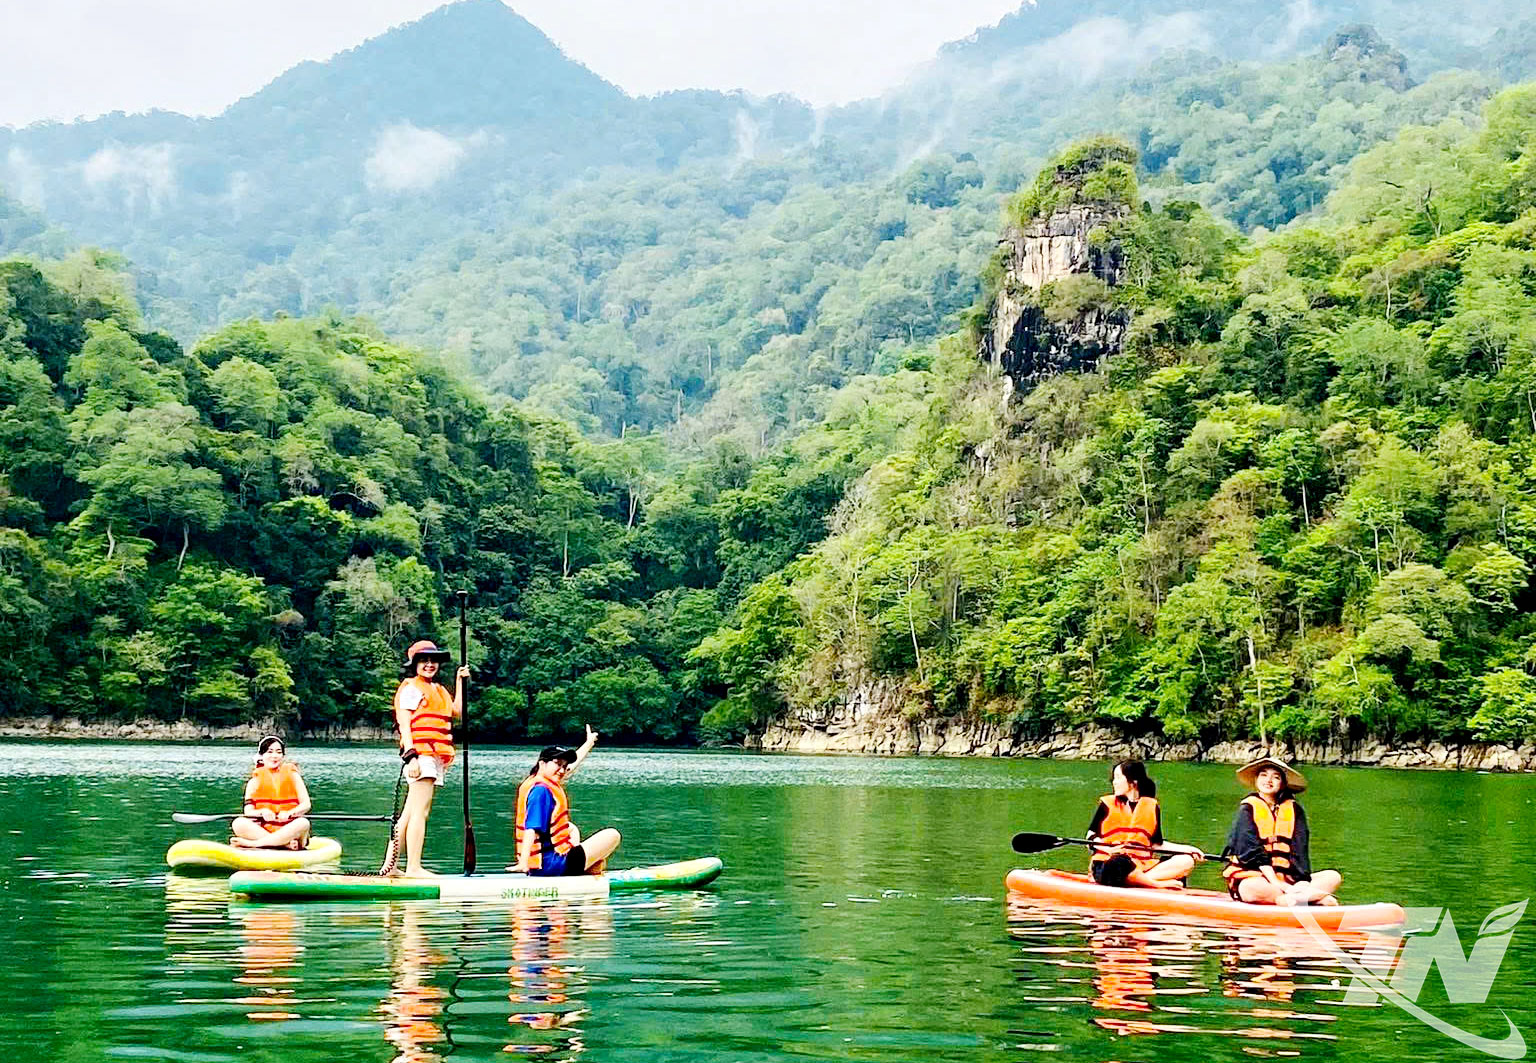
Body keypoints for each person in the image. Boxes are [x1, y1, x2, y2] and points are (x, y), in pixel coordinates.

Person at [391, 639, 469, 877]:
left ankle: (390, 867)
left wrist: (460, 681)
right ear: (414, 664)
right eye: (424, 660)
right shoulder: (411, 688)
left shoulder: (439, 690)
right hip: (420, 754)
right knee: (419, 812)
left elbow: (458, 712)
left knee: (408, 814)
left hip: (434, 755)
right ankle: (414, 867)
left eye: (433, 660)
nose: (429, 664)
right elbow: (404, 725)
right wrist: (411, 757)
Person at [1221, 757, 1342, 906]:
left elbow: (1300, 850)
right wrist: (1276, 882)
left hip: (1290, 880)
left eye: (1276, 777)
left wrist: (1302, 882)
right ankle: (1309, 899)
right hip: (1259, 878)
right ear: (1256, 779)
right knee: (1249, 888)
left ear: (1283, 783)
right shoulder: (1247, 808)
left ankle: (1293, 899)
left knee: (1332, 876)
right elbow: (1250, 849)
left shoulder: (1294, 810)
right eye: (1263, 775)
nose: (1268, 780)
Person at [509, 726, 621, 877]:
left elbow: (571, 767)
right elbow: (531, 828)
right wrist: (523, 863)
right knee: (612, 835)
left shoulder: (539, 781)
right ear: (542, 764)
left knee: (571, 828)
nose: (562, 770)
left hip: (545, 864)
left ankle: (586, 868)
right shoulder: (541, 791)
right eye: (557, 764)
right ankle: (580, 871)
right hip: (552, 866)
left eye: (564, 766)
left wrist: (589, 743)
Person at [1086, 759, 1204, 889]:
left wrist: (1187, 849)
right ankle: (1156, 884)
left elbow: (1155, 844)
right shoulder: (1107, 804)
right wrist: (1108, 848)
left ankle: (1137, 881)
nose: (1114, 782)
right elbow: (1090, 836)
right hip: (1110, 862)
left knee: (1185, 860)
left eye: (1118, 778)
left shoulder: (1151, 806)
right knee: (1119, 862)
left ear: (1133, 782)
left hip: (1141, 866)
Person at [231, 735, 312, 849]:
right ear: (262, 756)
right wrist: (262, 812)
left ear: (283, 756)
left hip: (291, 830)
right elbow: (248, 811)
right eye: (270, 752)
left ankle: (254, 844)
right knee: (238, 823)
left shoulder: (293, 775)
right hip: (266, 830)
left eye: (278, 752)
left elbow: (306, 805)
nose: (274, 756)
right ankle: (284, 844)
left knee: (303, 823)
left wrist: (290, 813)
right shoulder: (254, 781)